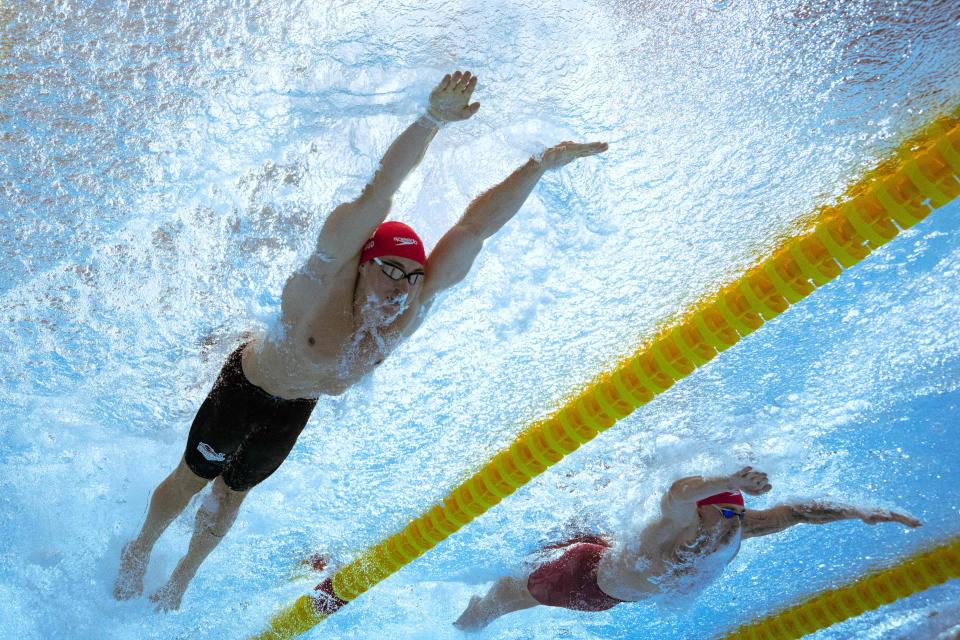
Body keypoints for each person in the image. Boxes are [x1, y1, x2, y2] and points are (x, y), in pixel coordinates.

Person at [113, 69, 608, 611]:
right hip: (247, 387)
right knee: (193, 477)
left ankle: (184, 574)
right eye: (390, 271)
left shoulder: (409, 307)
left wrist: (537, 167)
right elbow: (380, 191)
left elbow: (474, 229)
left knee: (232, 496)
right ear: (364, 263)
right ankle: (140, 549)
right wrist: (432, 120)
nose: (401, 288)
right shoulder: (323, 278)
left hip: (294, 409)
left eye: (412, 276)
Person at [454, 466, 921, 631]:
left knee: (531, 574)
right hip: (580, 575)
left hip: (610, 589)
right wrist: (730, 480)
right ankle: (462, 622)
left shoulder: (736, 528)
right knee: (498, 604)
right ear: (703, 510)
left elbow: (795, 512)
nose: (731, 523)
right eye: (723, 510)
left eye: (737, 513)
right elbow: (676, 494)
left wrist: (860, 509)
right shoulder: (681, 521)